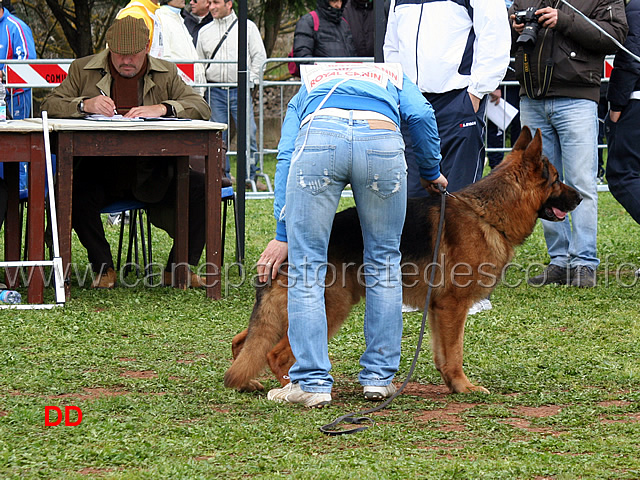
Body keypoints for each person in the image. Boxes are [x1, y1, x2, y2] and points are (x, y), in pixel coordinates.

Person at [261, 62, 447, 408]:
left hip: (318, 138)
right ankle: (379, 379)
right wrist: (431, 170)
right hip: (381, 141)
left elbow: (286, 153)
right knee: (385, 262)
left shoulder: (311, 79)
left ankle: (311, 383)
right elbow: (421, 115)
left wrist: (282, 229)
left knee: (307, 267)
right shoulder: (393, 73)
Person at [41, 16, 212, 289]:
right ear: (109, 48)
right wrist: (85, 105)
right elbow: (50, 103)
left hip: (154, 172)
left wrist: (164, 108)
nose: (126, 61)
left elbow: (200, 106)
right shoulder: (83, 69)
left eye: (133, 55)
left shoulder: (166, 72)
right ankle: (103, 266)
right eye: (119, 55)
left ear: (146, 47)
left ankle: (177, 268)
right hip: (99, 171)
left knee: (204, 188)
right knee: (69, 189)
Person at [509, 0, 628, 288]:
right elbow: (505, 37)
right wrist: (513, 27)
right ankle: (559, 261)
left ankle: (584, 262)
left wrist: (564, 20)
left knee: (581, 182)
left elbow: (615, 35)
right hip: (532, 97)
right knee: (541, 184)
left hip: (577, 98)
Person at [384, 0, 511, 196]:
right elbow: (392, 46)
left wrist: (476, 93)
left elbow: (494, 34)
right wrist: (399, 90)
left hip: (458, 99)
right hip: (412, 103)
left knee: (459, 200)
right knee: (411, 199)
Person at [196, 0, 267, 191]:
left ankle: (250, 175)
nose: (211, 7)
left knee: (249, 133)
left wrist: (250, 80)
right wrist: (201, 89)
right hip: (215, 89)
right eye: (209, 3)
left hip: (239, 89)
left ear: (229, 4)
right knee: (219, 136)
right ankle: (222, 176)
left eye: (216, 2)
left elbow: (259, 56)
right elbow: (199, 64)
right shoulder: (204, 32)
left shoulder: (248, 28)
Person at [605, 0, 640, 279]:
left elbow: (631, 57)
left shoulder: (637, 8)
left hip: (636, 103)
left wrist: (616, 105)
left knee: (622, 175)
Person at [156, 0, 206, 93]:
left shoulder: (178, 17)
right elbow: (164, 55)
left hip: (190, 85)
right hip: (179, 87)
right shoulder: (161, 18)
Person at [0, 2, 36, 119]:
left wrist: (3, 73)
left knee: (17, 135)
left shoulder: (16, 27)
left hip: (15, 95)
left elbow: (27, 59)